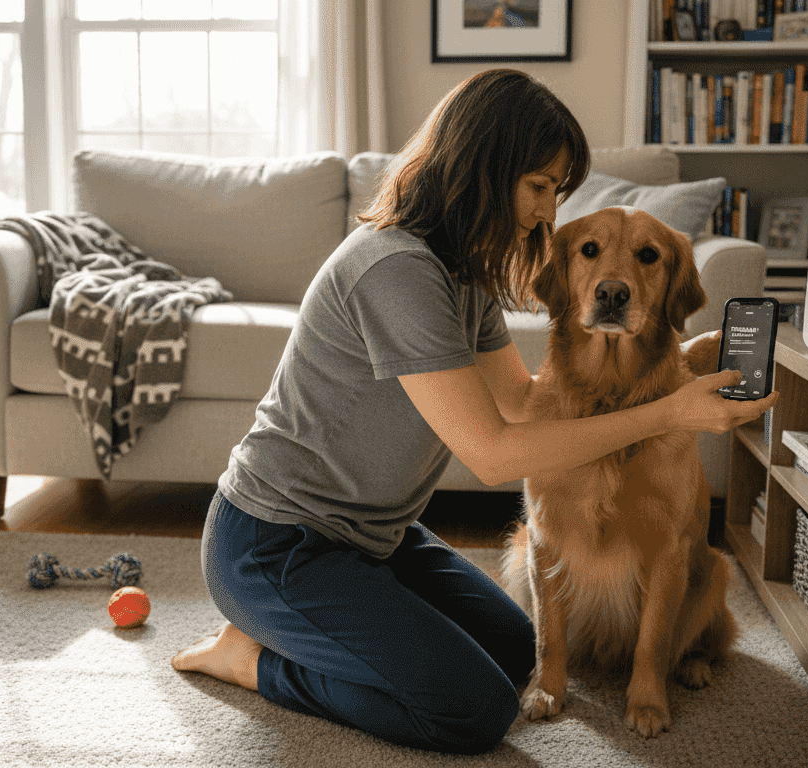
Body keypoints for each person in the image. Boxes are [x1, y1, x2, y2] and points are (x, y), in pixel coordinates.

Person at [172, 68, 777, 754]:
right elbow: (493, 452)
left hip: (376, 541)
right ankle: (251, 659)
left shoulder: (463, 275)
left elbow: (524, 402)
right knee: (471, 709)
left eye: (556, 192)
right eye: (539, 187)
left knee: (524, 652)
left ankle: (317, 628)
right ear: (485, 169)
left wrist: (673, 369)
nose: (548, 213)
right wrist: (668, 416)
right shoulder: (393, 269)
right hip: (274, 544)